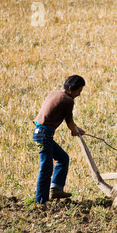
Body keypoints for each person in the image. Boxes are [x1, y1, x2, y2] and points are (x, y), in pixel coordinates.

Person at [33, 75, 86, 204]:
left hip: (39, 134)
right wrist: (74, 129)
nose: (79, 94)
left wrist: (76, 128)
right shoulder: (67, 100)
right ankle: (40, 201)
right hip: (44, 135)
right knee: (46, 168)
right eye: (79, 91)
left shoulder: (55, 93)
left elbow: (70, 122)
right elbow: (69, 121)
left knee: (63, 158)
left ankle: (56, 189)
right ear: (70, 88)